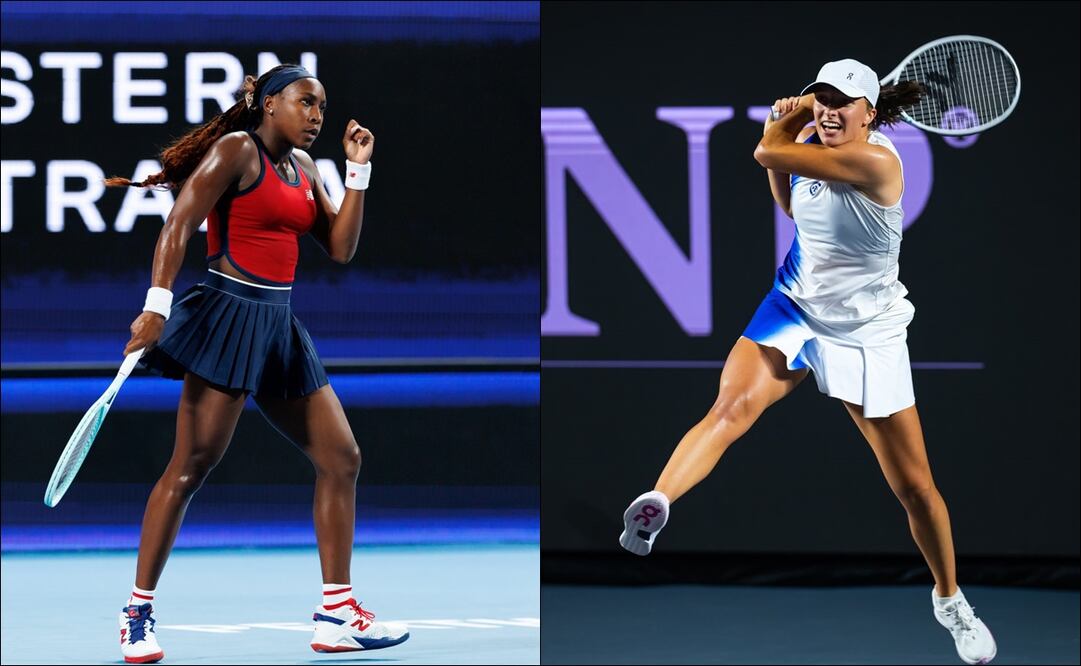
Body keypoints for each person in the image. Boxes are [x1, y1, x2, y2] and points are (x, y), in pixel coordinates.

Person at [618, 59, 996, 666]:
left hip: (868, 333)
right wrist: (789, 134)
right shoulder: (811, 154)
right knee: (730, 409)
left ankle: (950, 601)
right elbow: (792, 204)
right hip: (794, 306)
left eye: (842, 102)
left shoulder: (877, 163)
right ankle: (658, 503)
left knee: (915, 488)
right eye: (820, 98)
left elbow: (767, 153)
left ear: (870, 114)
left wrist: (782, 126)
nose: (828, 109)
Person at [104, 64, 408, 663]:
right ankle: (136, 612)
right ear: (269, 103)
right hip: (227, 318)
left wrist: (358, 171)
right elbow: (179, 222)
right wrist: (156, 307)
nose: (316, 116)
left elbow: (340, 248)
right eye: (305, 102)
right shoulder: (236, 152)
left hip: (278, 326)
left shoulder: (306, 168)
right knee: (190, 468)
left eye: (322, 107)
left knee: (341, 458)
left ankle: (336, 613)